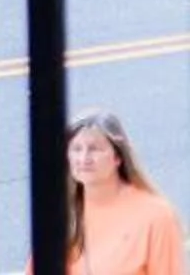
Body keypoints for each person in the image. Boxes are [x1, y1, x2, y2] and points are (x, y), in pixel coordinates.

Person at [61, 112, 186, 275]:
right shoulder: (59, 216)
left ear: (117, 157)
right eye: (76, 149)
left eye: (94, 149)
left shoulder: (156, 216)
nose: (84, 158)